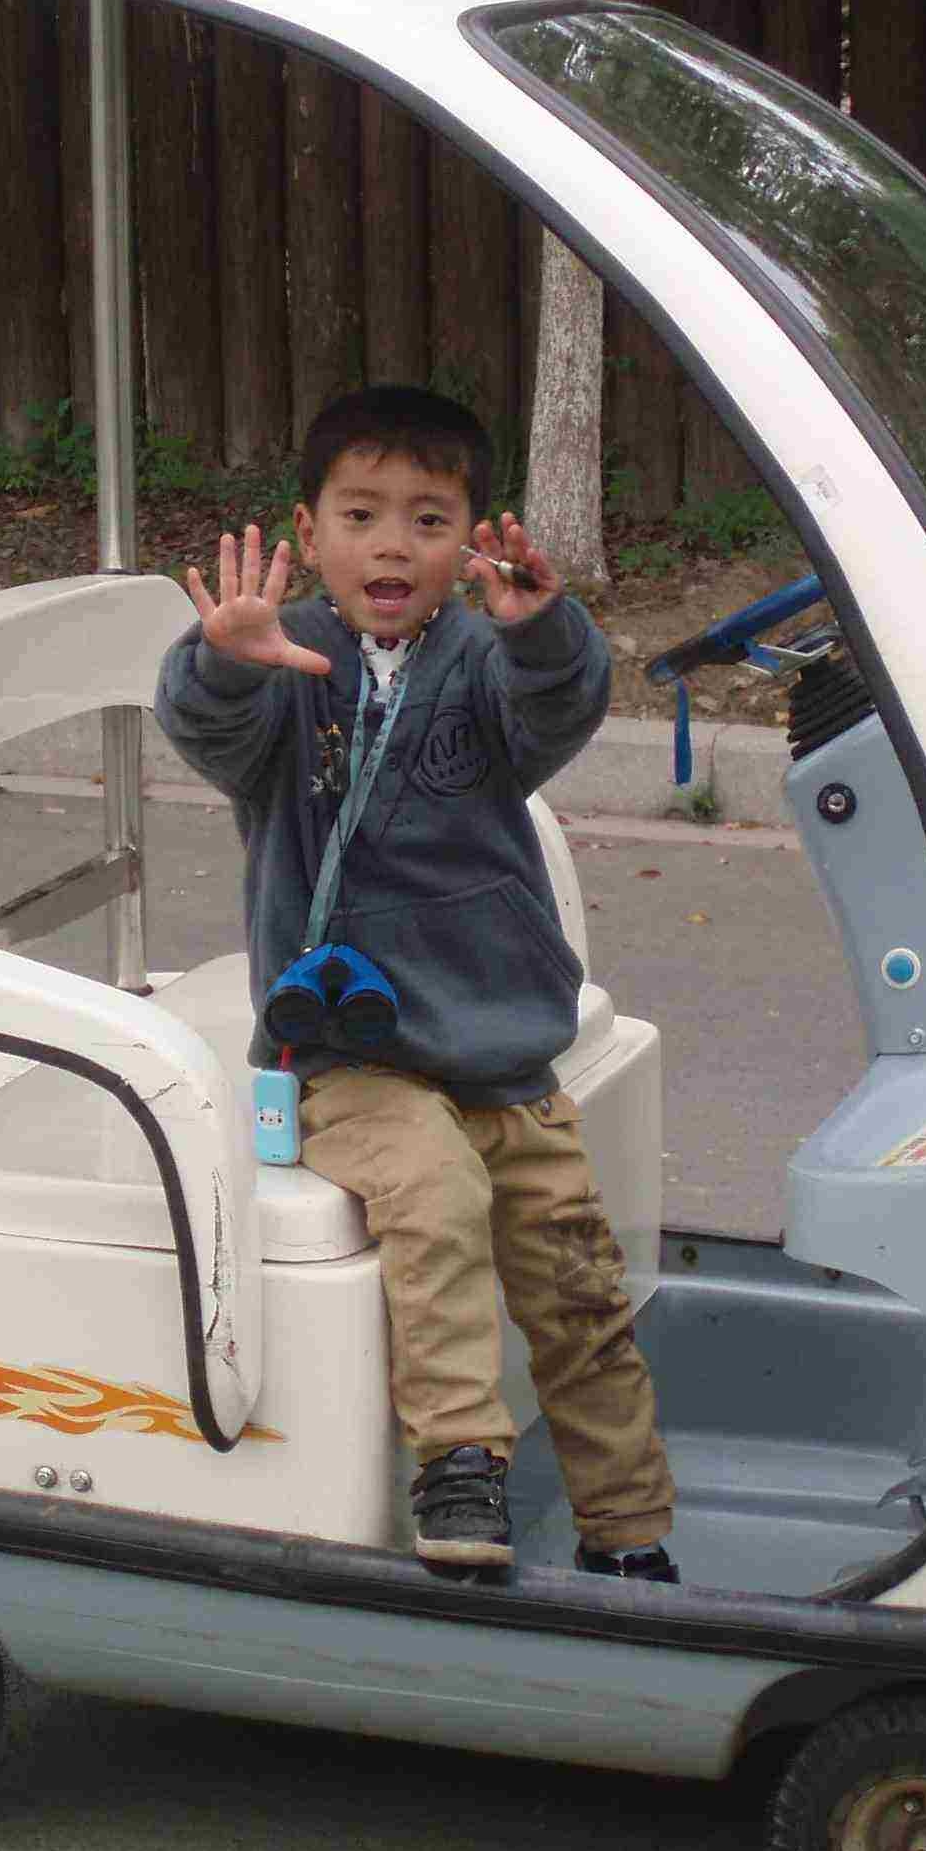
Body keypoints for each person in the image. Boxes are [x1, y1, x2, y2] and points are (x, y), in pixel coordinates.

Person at [155, 385, 678, 1583]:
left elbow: (560, 708)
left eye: (429, 520)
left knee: (578, 1283)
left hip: (500, 1047)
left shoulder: (485, 660)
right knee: (434, 1198)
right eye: (361, 516)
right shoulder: (284, 661)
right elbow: (205, 731)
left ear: (471, 542)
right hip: (353, 1052)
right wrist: (225, 663)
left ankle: (630, 1530)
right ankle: (460, 1460)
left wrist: (544, 633)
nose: (392, 546)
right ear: (310, 530)